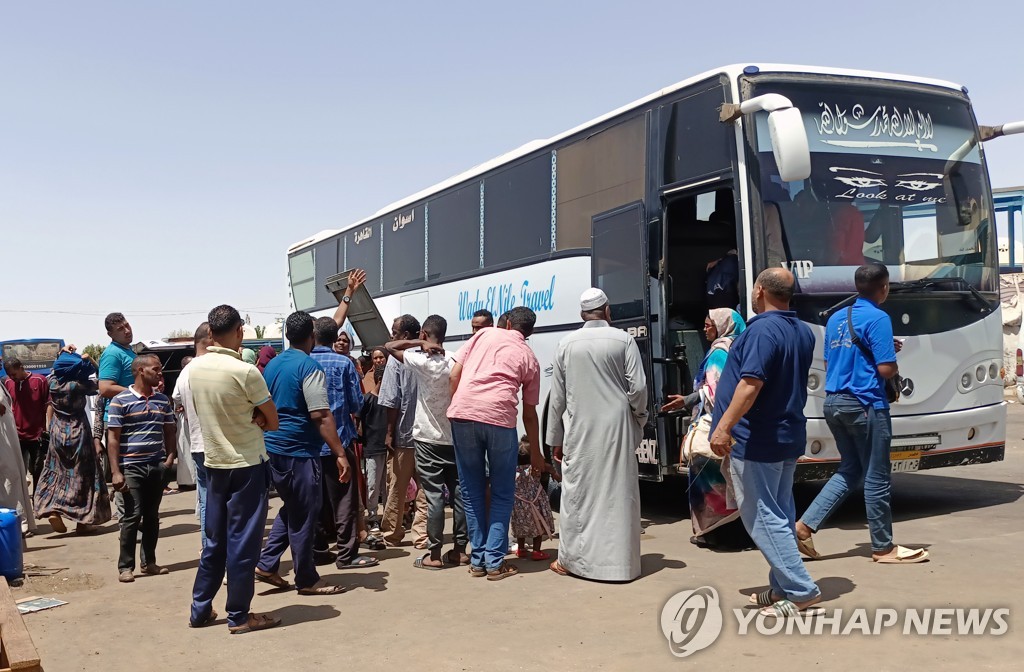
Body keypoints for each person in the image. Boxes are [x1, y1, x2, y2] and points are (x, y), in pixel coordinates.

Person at [796, 263, 928, 564]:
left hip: (835, 404)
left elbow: (833, 364)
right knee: (877, 476)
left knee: (851, 470)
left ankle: (803, 527)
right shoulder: (879, 317)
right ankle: (883, 547)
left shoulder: (836, 318)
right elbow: (885, 369)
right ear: (884, 288)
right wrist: (891, 358)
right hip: (866, 404)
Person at [709, 268, 820, 618]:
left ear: (759, 291)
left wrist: (724, 427)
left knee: (762, 516)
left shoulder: (762, 331)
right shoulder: (801, 330)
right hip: (786, 435)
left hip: (757, 438)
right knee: (781, 513)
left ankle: (801, 590)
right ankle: (783, 586)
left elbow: (750, 384)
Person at [188, 304, 281, 634]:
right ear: (240, 331)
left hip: (214, 463)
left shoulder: (194, 370)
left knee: (214, 542)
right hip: (246, 465)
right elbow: (272, 420)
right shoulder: (245, 371)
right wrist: (254, 418)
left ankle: (200, 609)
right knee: (243, 544)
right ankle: (239, 615)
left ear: (210, 333)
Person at [546, 289, 649, 581]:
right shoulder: (623, 340)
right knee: (617, 493)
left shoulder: (566, 344)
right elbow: (638, 388)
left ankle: (573, 562)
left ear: (582, 315)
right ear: (607, 310)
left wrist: (555, 437)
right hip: (617, 427)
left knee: (579, 494)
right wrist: (637, 418)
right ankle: (621, 566)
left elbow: (558, 398)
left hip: (580, 429)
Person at [255, 312, 352, 594]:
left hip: (274, 448)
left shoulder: (272, 365)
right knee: (306, 513)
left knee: (295, 507)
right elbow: (321, 414)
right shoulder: (308, 367)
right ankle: (307, 578)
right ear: (312, 333)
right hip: (299, 450)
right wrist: (340, 453)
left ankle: (267, 563)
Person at [448, 305, 543, 580]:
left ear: (508, 324)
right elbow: (529, 413)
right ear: (527, 332)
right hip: (500, 421)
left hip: (463, 415)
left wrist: (458, 407)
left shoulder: (482, 335)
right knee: (502, 493)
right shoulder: (530, 357)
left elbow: (454, 375)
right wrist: (536, 452)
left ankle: (477, 561)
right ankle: (494, 563)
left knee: (471, 490)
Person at [386, 315, 469, 570]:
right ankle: (459, 550)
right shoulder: (455, 358)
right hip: (454, 438)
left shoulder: (420, 360)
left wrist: (415, 343)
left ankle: (434, 554)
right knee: (458, 495)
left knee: (433, 496)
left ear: (423, 333)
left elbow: (389, 347)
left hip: (426, 439)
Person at [663, 309, 748, 547]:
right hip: (735, 426)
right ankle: (734, 534)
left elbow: (717, 393)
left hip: (716, 426)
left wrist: (695, 400)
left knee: (712, 484)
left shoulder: (719, 352)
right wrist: (690, 398)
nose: (705, 328)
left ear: (722, 326)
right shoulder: (738, 347)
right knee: (733, 484)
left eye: (708, 324)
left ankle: (716, 535)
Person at [309, 317, 377, 570]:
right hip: (340, 442)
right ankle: (346, 554)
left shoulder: (304, 362)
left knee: (314, 501)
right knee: (344, 501)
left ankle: (317, 550)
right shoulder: (344, 363)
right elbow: (357, 404)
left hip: (310, 445)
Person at [107, 354, 177, 583]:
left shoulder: (162, 400)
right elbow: (114, 439)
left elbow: (169, 431)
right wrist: (116, 472)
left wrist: (168, 460)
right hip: (131, 468)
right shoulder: (121, 401)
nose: (160, 373)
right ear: (140, 371)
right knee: (131, 515)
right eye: (155, 369)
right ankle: (125, 566)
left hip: (156, 467)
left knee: (152, 516)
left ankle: (149, 562)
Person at [34, 349, 111, 535]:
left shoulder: (52, 383)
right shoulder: (78, 385)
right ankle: (83, 522)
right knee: (82, 477)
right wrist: (90, 360)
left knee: (57, 474)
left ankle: (52, 508)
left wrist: (61, 354)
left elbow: (56, 370)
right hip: (79, 433)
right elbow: (103, 382)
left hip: (57, 433)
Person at [378, 314, 429, 548]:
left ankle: (392, 533)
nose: (391, 336)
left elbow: (392, 400)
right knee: (426, 489)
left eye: (395, 332)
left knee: (397, 486)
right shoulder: (432, 355)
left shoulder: (396, 359)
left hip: (405, 434)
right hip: (429, 435)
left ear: (406, 336)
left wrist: (389, 432)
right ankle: (422, 535)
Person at [171, 324, 215, 549]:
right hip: (218, 444)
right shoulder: (214, 366)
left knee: (206, 498)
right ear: (210, 338)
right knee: (225, 502)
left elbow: (177, 398)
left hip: (197, 443)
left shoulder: (185, 372)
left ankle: (208, 548)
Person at [1, 356, 50, 493]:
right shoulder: (8, 383)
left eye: (14, 374)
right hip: (16, 436)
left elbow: (48, 404)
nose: (12, 377)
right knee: (17, 470)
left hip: (37, 435)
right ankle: (21, 500)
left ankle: (38, 499)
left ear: (21, 368)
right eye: (9, 375)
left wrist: (48, 427)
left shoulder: (40, 380)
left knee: (37, 470)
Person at [511, 437, 559, 561]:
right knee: (539, 526)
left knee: (521, 526)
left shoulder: (512, 470)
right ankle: (537, 551)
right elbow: (551, 470)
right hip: (536, 502)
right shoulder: (536, 467)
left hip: (519, 504)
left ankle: (521, 549)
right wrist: (556, 475)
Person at [0, 377, 36, 535]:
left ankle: (17, 523)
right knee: (8, 478)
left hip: (8, 439)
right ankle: (14, 524)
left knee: (13, 477)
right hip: (3, 442)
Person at [358, 363, 389, 531]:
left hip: (389, 449)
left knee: (388, 487)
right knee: (373, 485)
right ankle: (372, 517)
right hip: (372, 448)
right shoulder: (367, 400)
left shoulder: (391, 401)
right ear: (379, 379)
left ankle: (388, 517)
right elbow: (359, 424)